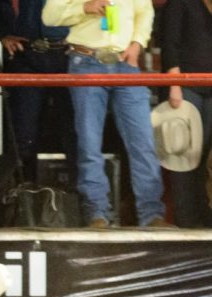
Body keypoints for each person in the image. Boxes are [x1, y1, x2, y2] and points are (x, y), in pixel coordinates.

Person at [41, 0, 169, 228]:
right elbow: (49, 16)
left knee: (143, 141)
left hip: (125, 63)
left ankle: (151, 215)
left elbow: (145, 12)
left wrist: (137, 43)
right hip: (86, 60)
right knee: (89, 143)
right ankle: (97, 213)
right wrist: (83, 8)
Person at [0, 0, 73, 184]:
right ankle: (22, 200)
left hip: (69, 56)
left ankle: (80, 201)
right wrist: (2, 33)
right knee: (23, 135)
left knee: (75, 131)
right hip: (27, 54)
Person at [159, 0, 212, 227]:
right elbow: (169, 43)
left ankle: (204, 216)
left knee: (206, 155)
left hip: (209, 87)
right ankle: (187, 221)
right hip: (186, 87)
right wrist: (175, 84)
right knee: (185, 156)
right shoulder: (181, 2)